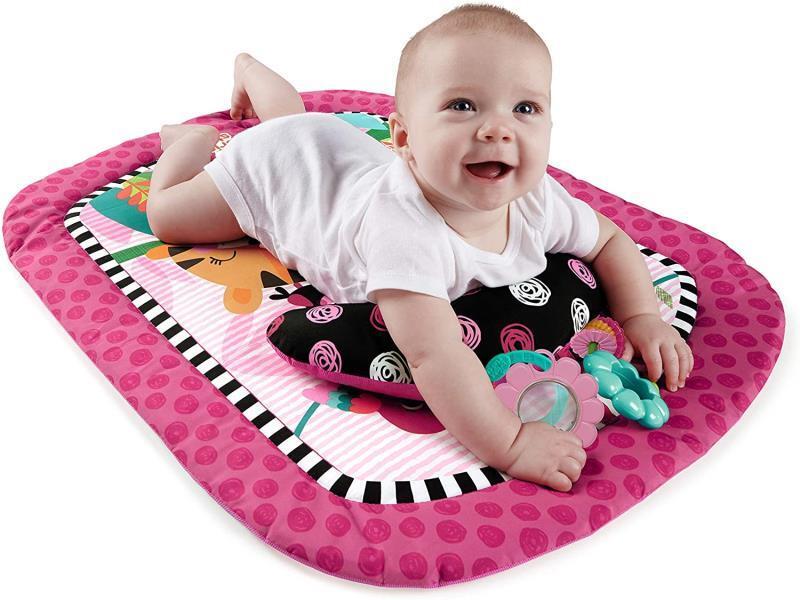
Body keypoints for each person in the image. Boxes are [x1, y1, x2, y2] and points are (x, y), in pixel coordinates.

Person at [146, 3, 693, 491]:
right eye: (463, 105)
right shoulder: (404, 230)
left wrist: (642, 316)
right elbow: (435, 354)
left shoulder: (537, 198)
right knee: (168, 215)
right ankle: (192, 143)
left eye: (525, 108)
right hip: (275, 176)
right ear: (404, 139)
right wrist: (510, 442)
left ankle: (250, 69)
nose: (498, 129)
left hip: (332, 151)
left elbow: (611, 240)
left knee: (299, 123)